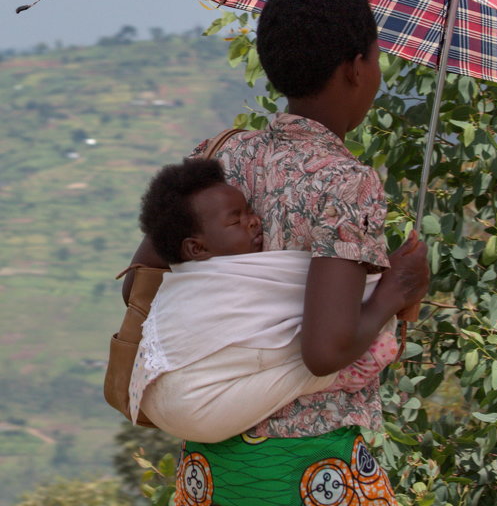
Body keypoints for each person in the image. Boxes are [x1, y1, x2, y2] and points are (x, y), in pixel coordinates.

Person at [122, 0, 430, 506]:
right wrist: (393, 289)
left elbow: (139, 284)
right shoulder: (345, 182)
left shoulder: (220, 156)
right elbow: (325, 349)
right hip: (312, 479)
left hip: (217, 479)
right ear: (356, 67)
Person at [129, 157, 399, 441]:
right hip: (199, 409)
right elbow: (342, 289)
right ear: (197, 248)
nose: (254, 221)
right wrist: (390, 288)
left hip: (152, 399)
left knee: (258, 343)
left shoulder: (181, 280)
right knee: (305, 349)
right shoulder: (253, 272)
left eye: (249, 211)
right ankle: (336, 377)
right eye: (237, 220)